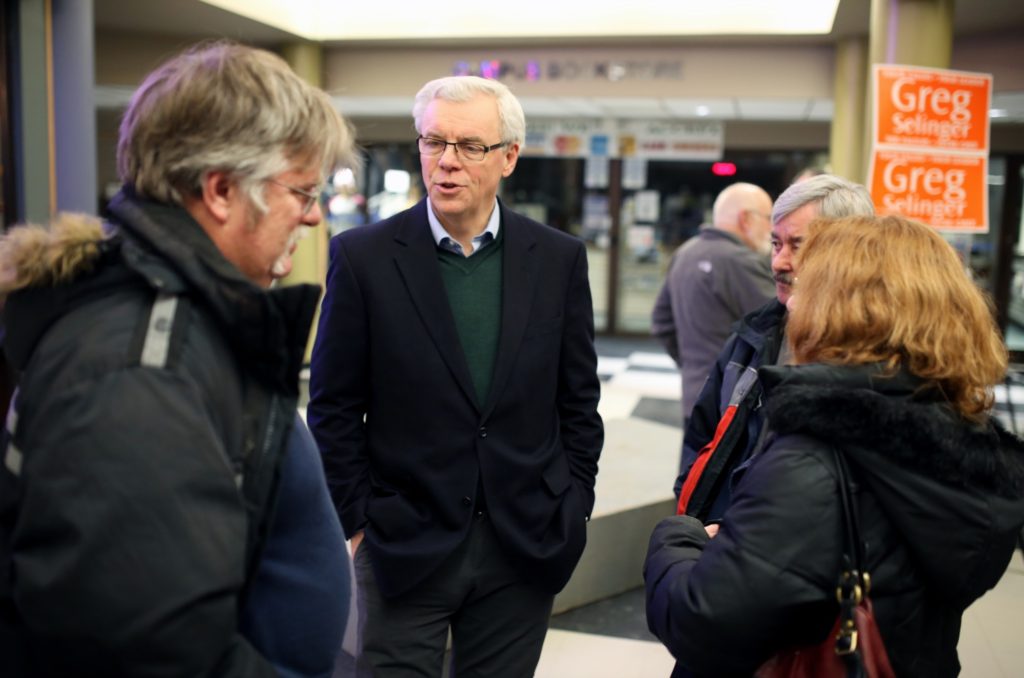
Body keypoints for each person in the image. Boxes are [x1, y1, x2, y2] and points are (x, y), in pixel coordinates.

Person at [0, 42, 356, 677]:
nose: (312, 214)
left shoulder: (194, 325)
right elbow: (150, 651)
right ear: (221, 191)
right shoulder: (138, 364)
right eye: (301, 191)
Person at [307, 75, 604, 678]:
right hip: (402, 542)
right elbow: (333, 407)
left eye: (470, 146)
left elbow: (578, 401)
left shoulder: (557, 259)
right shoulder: (363, 257)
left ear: (509, 157)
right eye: (433, 141)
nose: (447, 162)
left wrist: (573, 505)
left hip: (523, 543)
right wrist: (360, 525)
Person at [645, 214, 1024, 677]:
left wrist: (676, 538)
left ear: (838, 309)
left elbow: (704, 622)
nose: (792, 301)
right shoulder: (966, 440)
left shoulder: (813, 455)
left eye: (809, 285)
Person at [677, 174, 875, 522]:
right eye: (775, 244)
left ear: (848, 252)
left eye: (797, 245)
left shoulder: (876, 357)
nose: (779, 262)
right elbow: (701, 442)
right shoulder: (751, 339)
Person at [651, 182, 775, 439]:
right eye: (768, 218)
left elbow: (661, 321)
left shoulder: (685, 253)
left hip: (694, 394)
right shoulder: (742, 262)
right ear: (746, 219)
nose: (772, 228)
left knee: (693, 475)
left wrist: (692, 364)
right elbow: (779, 328)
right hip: (733, 403)